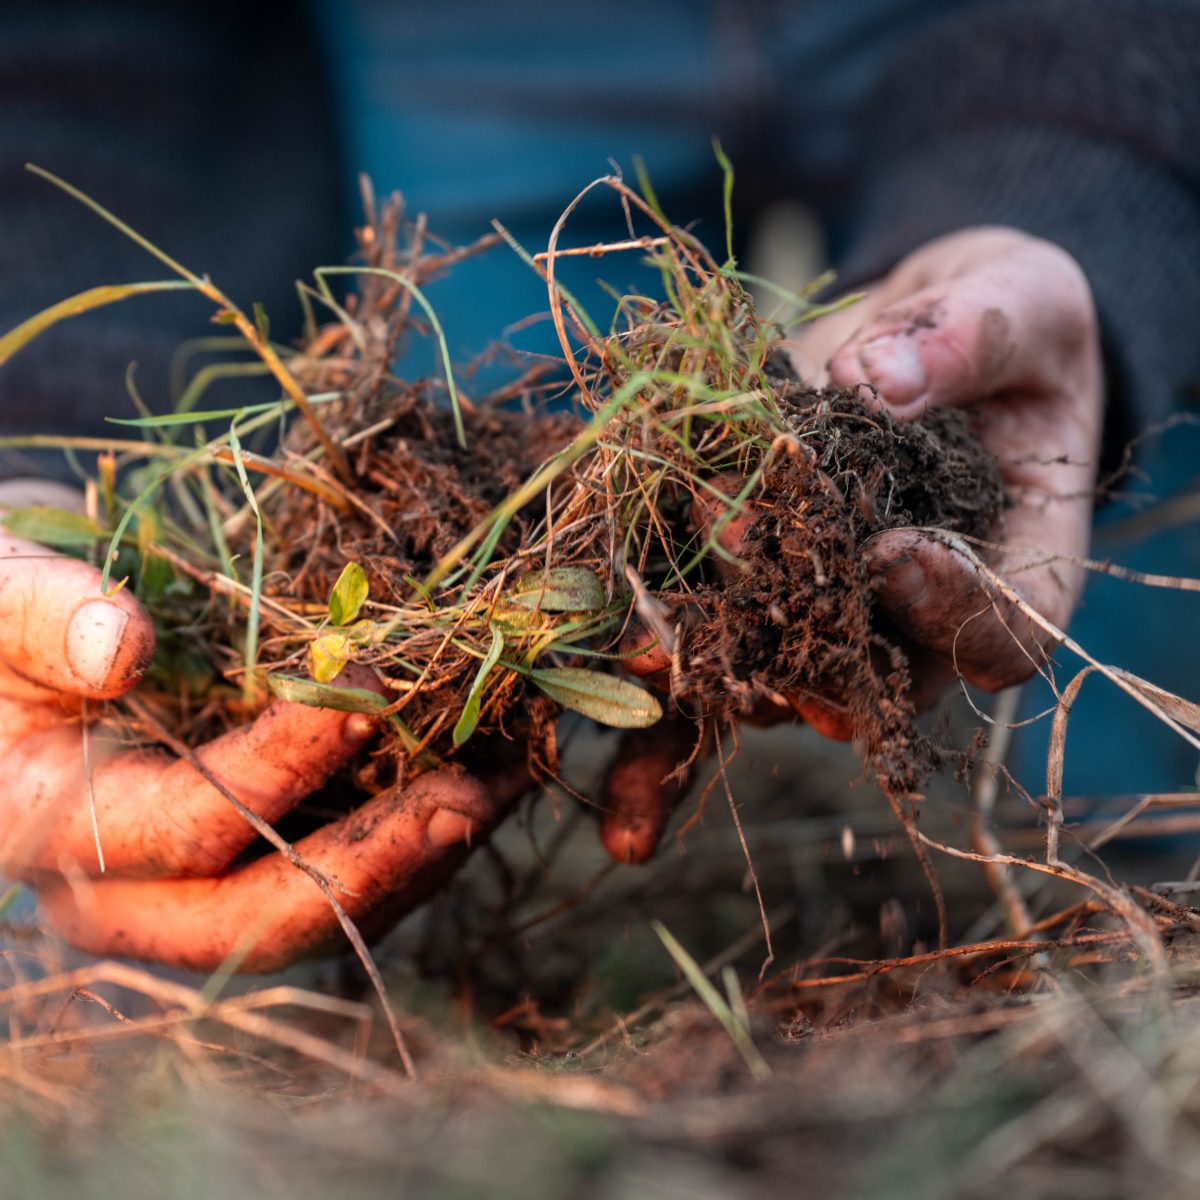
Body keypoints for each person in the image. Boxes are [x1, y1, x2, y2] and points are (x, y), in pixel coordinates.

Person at [2, 0, 1198, 970]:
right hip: (455, 49)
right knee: (440, 683)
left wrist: (1087, 169)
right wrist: (38, 438)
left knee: (1102, 833)